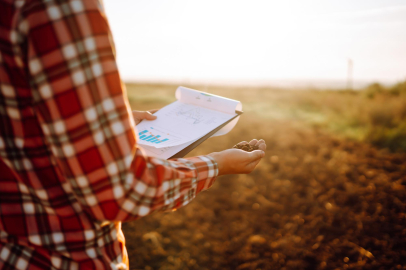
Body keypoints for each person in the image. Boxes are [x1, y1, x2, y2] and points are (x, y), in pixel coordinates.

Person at [0, 0, 266, 269]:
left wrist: (108, 124)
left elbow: (22, 125)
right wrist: (216, 164)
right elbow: (116, 189)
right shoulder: (62, 8)